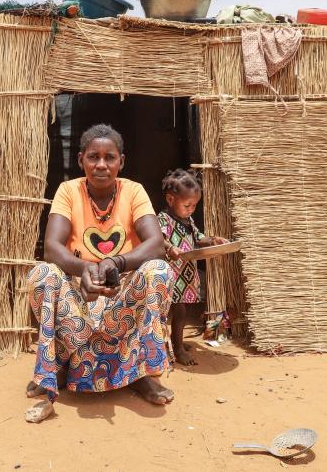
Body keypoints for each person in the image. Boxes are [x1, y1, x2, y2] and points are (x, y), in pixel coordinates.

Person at [24, 124, 174, 423]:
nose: (101, 164)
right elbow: (52, 248)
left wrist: (116, 263)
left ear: (122, 161)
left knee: (158, 271)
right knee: (43, 274)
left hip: (123, 298)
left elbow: (156, 243)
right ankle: (59, 366)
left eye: (110, 157)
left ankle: (142, 372)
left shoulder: (133, 191)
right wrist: (84, 270)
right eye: (94, 157)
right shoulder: (68, 191)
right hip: (79, 298)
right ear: (81, 160)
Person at [158, 169, 227, 366]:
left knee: (182, 310)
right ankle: (177, 348)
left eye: (194, 206)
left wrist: (212, 240)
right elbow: (158, 239)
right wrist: (171, 248)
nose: (191, 209)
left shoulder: (187, 220)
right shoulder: (163, 219)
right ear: (171, 200)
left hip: (186, 275)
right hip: (172, 274)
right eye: (187, 205)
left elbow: (198, 238)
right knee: (178, 312)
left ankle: (176, 341)